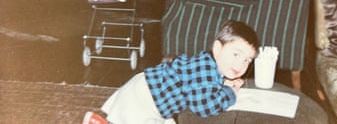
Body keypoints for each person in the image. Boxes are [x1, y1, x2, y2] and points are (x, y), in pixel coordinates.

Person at [83, 19, 259, 124]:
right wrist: (230, 92)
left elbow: (206, 86)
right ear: (217, 48)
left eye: (247, 60)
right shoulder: (205, 70)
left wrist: (224, 84)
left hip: (146, 85)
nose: (241, 64)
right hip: (145, 98)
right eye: (236, 54)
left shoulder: (209, 64)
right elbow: (204, 106)